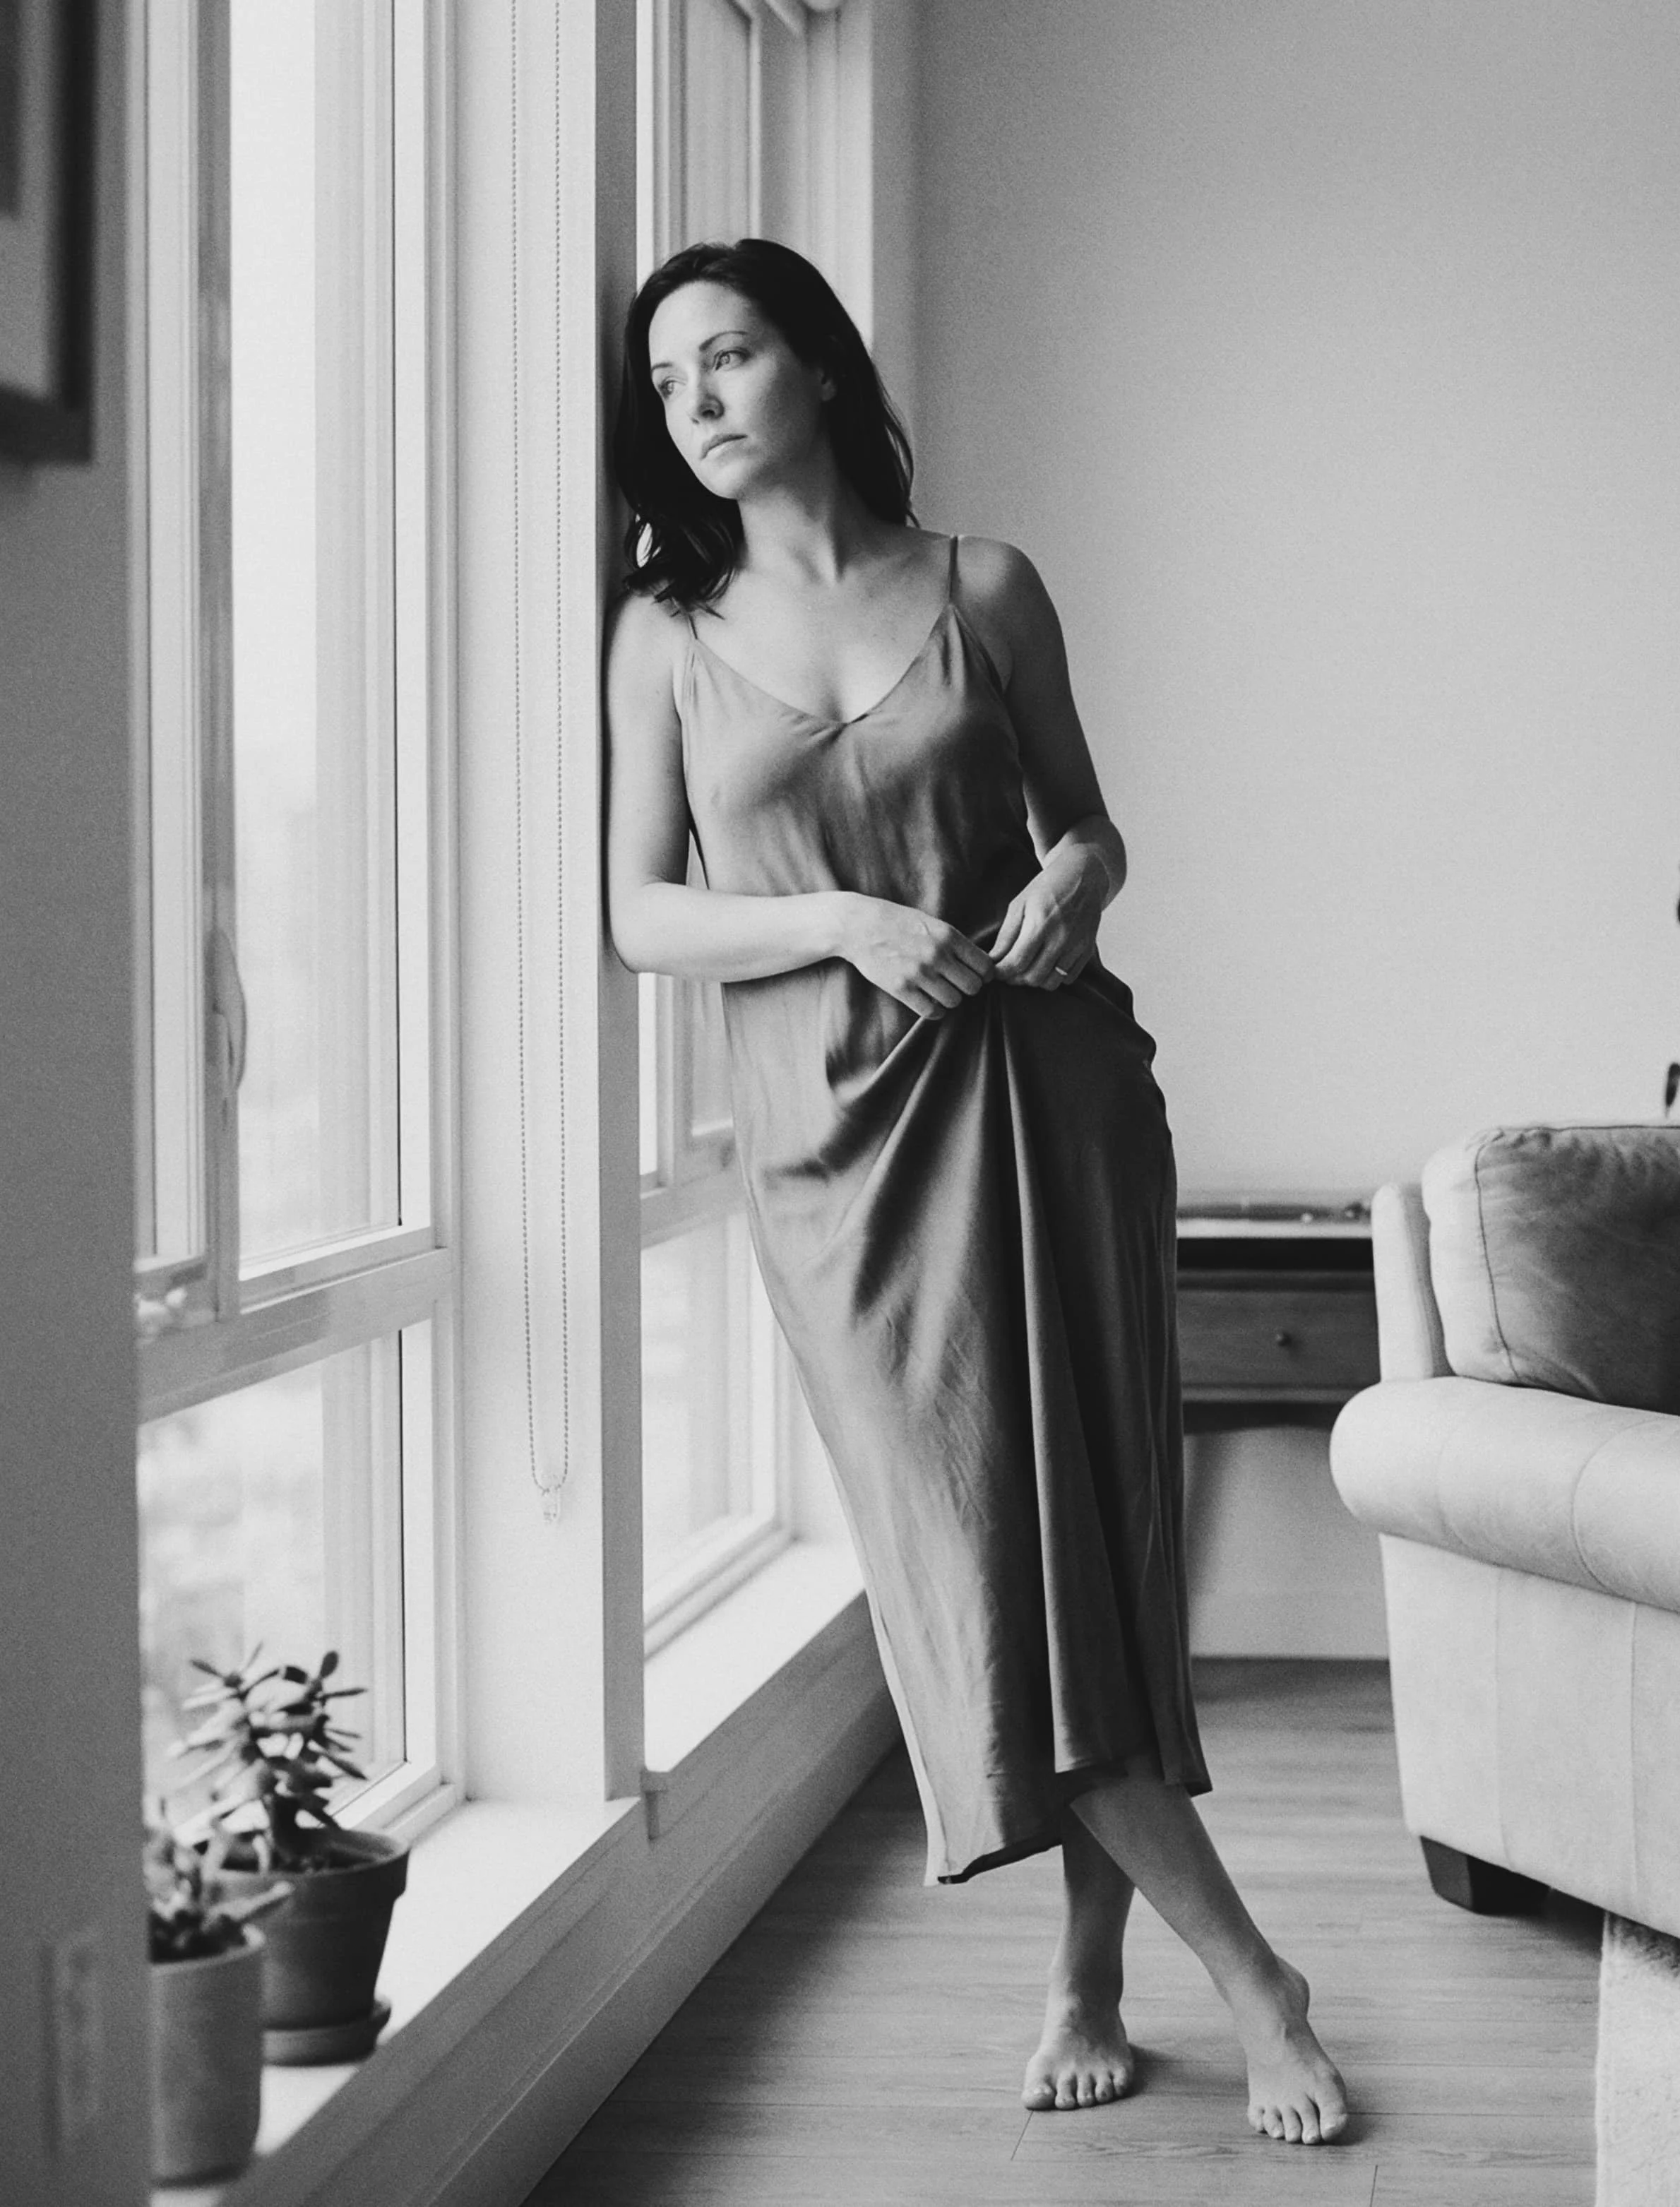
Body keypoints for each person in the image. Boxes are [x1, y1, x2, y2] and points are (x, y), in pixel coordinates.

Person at [605, 237, 1350, 2148]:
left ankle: (1093, 1970)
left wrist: (1071, 881)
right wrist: (843, 917)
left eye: (732, 352)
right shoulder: (662, 641)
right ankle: (1257, 1974)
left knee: (1090, 1560)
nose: (696, 398)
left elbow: (1091, 818)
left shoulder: (983, 587)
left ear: (821, 370)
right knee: (980, 1581)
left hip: (1055, 1099)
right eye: (669, 372)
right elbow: (637, 910)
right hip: (842, 1161)